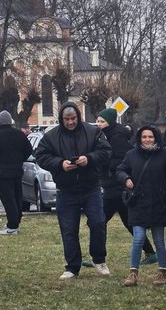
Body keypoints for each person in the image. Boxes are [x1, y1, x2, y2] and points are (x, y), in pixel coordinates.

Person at [36, 102, 112, 280]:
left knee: (98, 223)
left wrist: (89, 159)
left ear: (78, 116)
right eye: (67, 119)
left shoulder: (93, 132)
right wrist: (59, 164)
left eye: (73, 118)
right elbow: (41, 156)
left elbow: (106, 151)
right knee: (69, 229)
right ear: (61, 119)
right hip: (66, 189)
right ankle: (72, 267)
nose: (70, 122)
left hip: (91, 187)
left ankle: (99, 259)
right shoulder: (51, 136)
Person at [117, 126, 166, 286]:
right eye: (144, 137)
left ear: (156, 138)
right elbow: (120, 170)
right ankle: (133, 274)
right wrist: (125, 179)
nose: (147, 140)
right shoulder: (131, 154)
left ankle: (162, 273)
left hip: (159, 203)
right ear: (139, 138)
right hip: (138, 203)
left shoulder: (164, 154)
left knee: (159, 241)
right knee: (138, 239)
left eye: (150, 137)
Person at [96, 108, 157, 266]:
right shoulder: (106, 135)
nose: (99, 124)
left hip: (117, 186)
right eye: (98, 121)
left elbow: (122, 160)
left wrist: (104, 164)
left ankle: (98, 258)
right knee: (128, 222)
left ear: (110, 122)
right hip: (113, 185)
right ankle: (150, 252)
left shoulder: (116, 137)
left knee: (98, 221)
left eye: (102, 121)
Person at [0, 110, 33, 235]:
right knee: (17, 197)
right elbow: (29, 150)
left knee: (8, 200)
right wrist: (19, 160)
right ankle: (16, 220)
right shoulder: (19, 134)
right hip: (17, 171)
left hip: (1, 174)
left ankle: (12, 226)